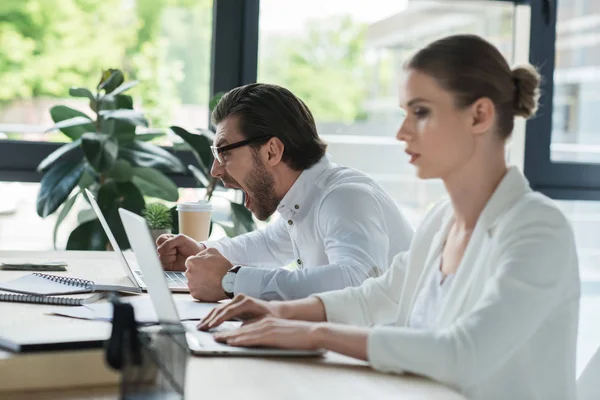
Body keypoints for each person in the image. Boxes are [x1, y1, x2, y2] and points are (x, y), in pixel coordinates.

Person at [196, 34, 580, 400]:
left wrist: (313, 332)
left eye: (421, 112)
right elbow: (377, 295)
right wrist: (276, 311)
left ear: (479, 116)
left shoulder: (537, 228)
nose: (402, 132)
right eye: (404, 113)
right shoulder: (442, 219)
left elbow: (464, 354)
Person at [157, 83, 414, 302]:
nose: (215, 170)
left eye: (225, 153)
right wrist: (199, 252)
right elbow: (268, 244)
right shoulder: (305, 199)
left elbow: (356, 282)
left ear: (272, 151)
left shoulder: (344, 197)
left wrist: (232, 282)